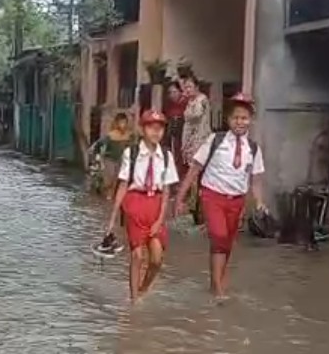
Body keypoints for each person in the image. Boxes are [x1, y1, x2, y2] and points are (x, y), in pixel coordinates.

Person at [176, 93, 266, 298]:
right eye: (236, 117)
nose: (240, 122)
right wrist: (180, 196)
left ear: (250, 121)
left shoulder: (253, 148)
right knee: (219, 236)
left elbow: (256, 178)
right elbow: (195, 168)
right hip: (212, 196)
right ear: (228, 119)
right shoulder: (214, 141)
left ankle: (216, 281)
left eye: (244, 118)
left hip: (237, 201)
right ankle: (217, 289)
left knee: (227, 243)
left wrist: (259, 201)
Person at [101, 110, 179, 302]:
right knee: (136, 255)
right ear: (143, 130)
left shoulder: (167, 156)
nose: (156, 133)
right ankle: (134, 299)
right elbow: (123, 185)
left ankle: (143, 288)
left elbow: (167, 191)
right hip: (135, 203)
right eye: (151, 128)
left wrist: (160, 220)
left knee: (157, 258)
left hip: (156, 204)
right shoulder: (132, 153)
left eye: (160, 129)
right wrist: (111, 220)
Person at [88, 112, 134, 198]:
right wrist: (95, 155)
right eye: (121, 122)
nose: (123, 125)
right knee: (109, 180)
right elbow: (99, 144)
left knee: (117, 180)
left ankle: (111, 197)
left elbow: (133, 145)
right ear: (116, 123)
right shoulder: (111, 135)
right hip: (109, 159)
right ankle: (106, 194)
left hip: (121, 160)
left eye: (124, 122)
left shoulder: (129, 135)